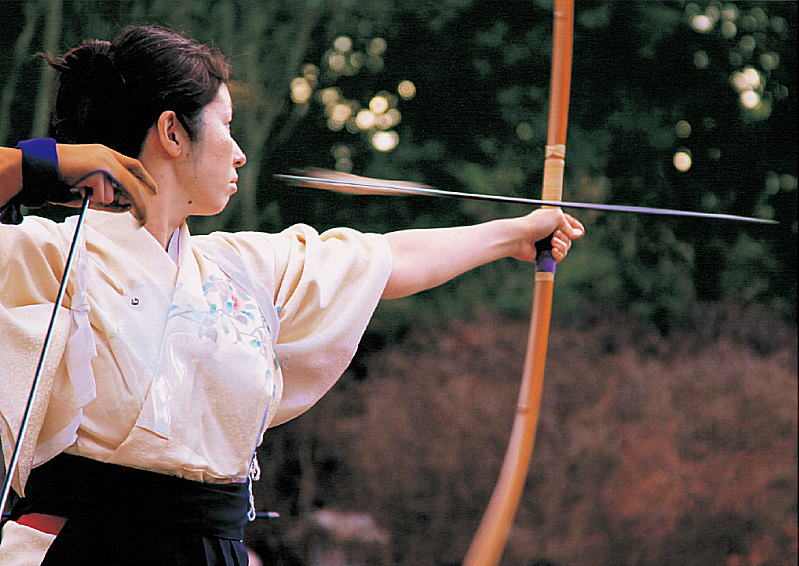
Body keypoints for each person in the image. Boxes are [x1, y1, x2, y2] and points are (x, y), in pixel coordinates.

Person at [0, 25, 584, 565]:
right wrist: (40, 165)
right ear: (172, 132)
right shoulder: (42, 254)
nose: (238, 152)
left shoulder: (240, 268)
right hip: (79, 547)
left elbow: (387, 260)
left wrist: (513, 234)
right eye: (225, 126)